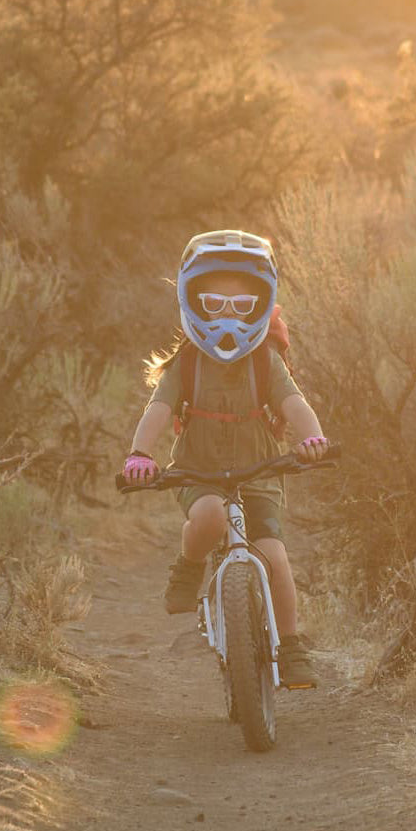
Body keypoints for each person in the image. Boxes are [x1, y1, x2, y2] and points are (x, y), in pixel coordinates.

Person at [121, 230, 330, 689]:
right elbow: (157, 408)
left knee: (273, 554)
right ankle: (190, 566)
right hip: (198, 472)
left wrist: (313, 438)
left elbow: (294, 403)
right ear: (191, 301)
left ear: (263, 304)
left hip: (259, 473)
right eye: (214, 305)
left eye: (242, 306)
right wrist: (140, 454)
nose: (228, 319)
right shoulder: (188, 363)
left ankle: (291, 646)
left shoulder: (265, 360)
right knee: (211, 515)